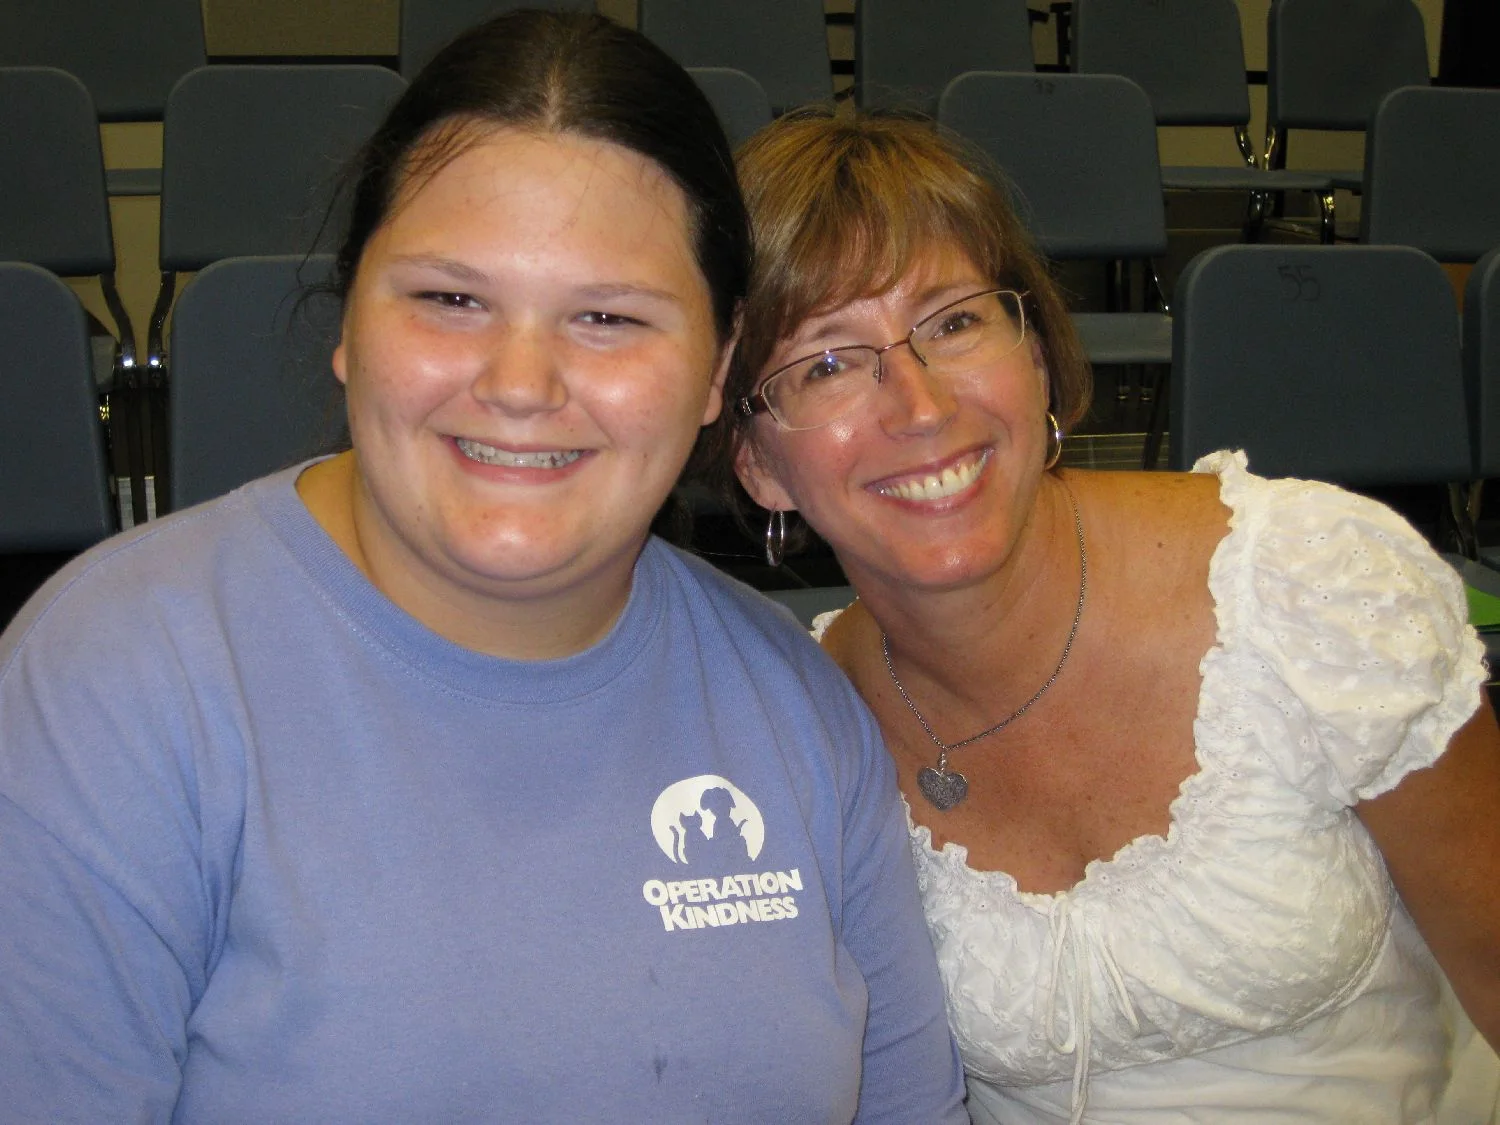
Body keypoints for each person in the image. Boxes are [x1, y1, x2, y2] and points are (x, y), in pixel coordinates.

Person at [0, 20, 967, 1123]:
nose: (520, 383)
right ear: (350, 320)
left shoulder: (794, 705)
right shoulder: (112, 687)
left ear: (716, 366)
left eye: (608, 316)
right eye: (450, 300)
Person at [703, 105, 1500, 1124]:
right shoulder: (806, 730)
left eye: (954, 322)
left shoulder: (1308, 585)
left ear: (1036, 353)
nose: (920, 405)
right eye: (826, 363)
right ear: (758, 462)